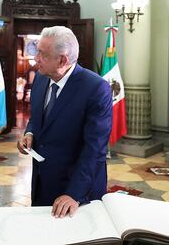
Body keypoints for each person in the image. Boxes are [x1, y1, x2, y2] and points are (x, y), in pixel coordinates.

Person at [17, 26, 112, 218]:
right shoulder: (41, 79)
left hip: (77, 189)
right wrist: (30, 133)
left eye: (42, 54)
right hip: (42, 181)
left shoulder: (96, 88)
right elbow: (37, 116)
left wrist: (74, 193)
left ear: (62, 60)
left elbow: (94, 149)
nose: (36, 58)